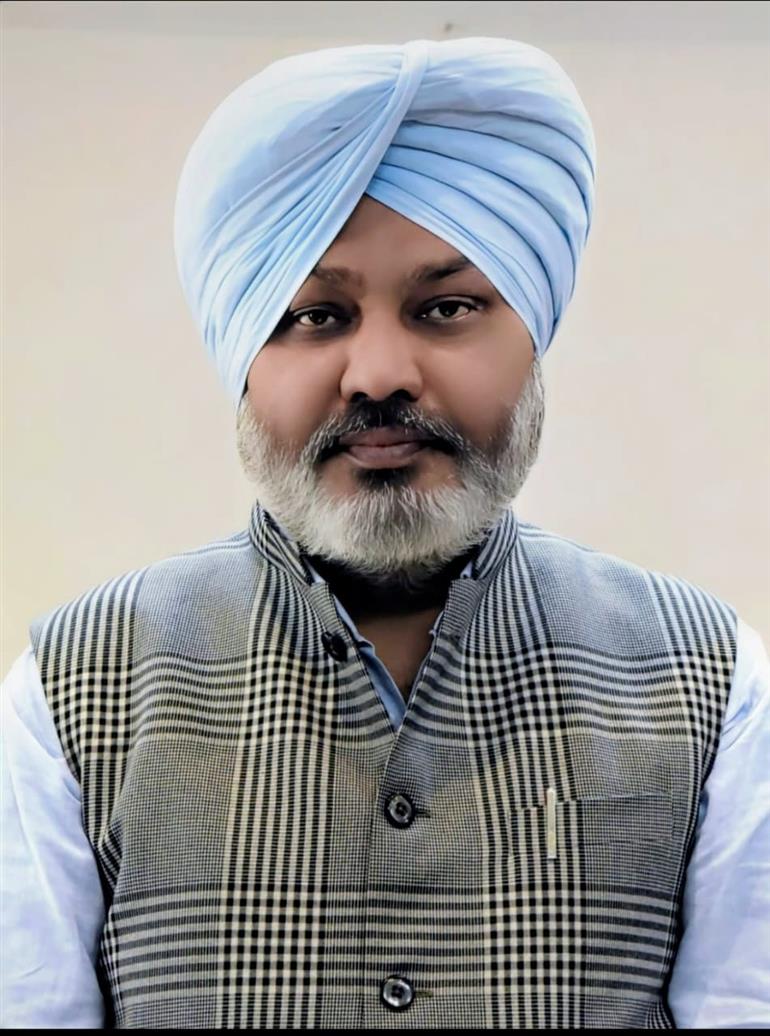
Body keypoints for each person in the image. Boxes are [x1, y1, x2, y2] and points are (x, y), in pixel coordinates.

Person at [2, 35, 768, 1030]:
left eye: (444, 308)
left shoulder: (709, 682)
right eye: (315, 317)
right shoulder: (73, 689)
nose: (376, 375)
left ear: (531, 338)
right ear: (243, 356)